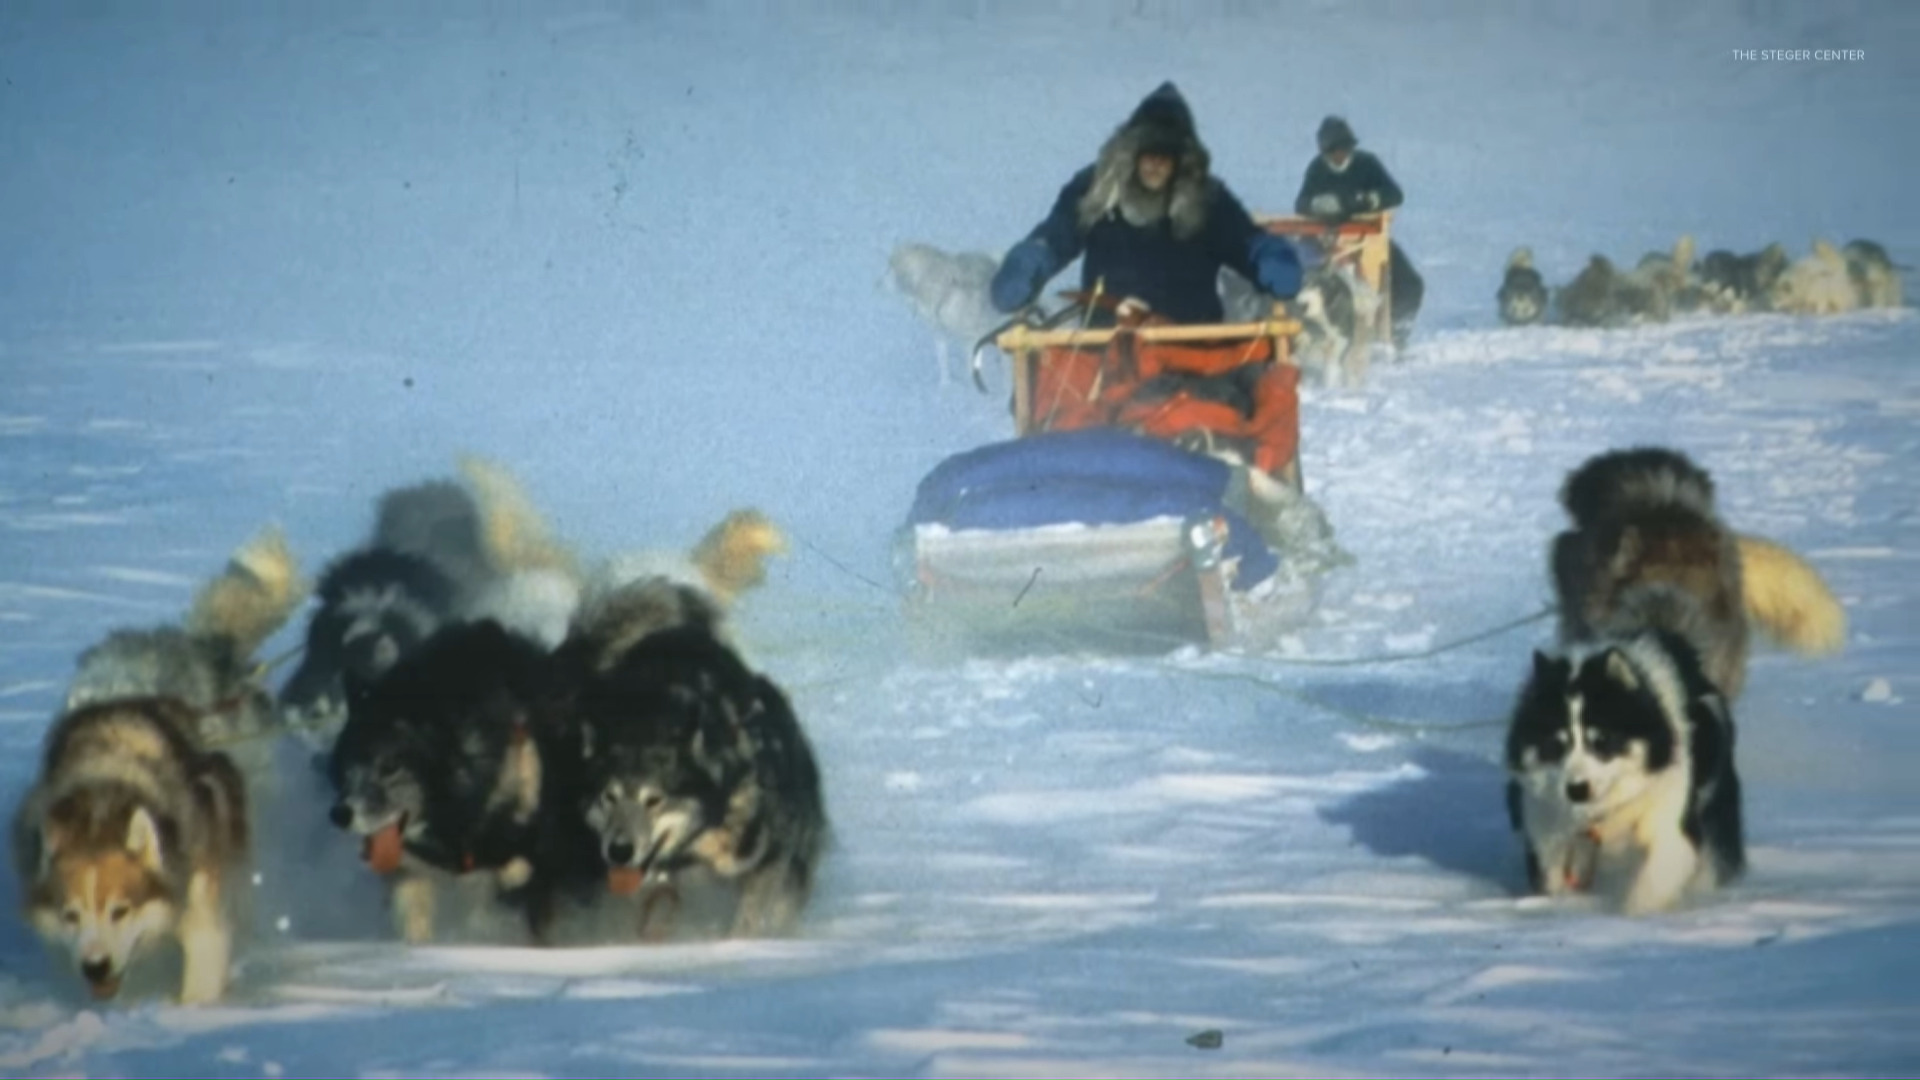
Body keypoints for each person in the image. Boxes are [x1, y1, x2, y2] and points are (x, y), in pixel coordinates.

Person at [990, 82, 1304, 326]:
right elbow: (1059, 233)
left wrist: (1267, 254)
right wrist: (1032, 258)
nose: (1155, 165)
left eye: (1165, 156)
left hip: (1192, 348)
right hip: (1110, 351)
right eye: (1148, 154)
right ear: (1132, 153)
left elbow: (1242, 240)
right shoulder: (1098, 189)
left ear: (1181, 161)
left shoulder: (1207, 199)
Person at [1293, 115, 1425, 349]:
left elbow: (1394, 194)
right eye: (1335, 150)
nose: (1341, 155)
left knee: (1410, 284)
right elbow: (1301, 203)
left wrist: (1369, 200)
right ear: (1325, 152)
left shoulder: (1367, 164)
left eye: (1346, 148)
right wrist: (1317, 205)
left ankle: (1396, 334)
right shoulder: (1317, 169)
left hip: (1370, 240)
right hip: (1329, 243)